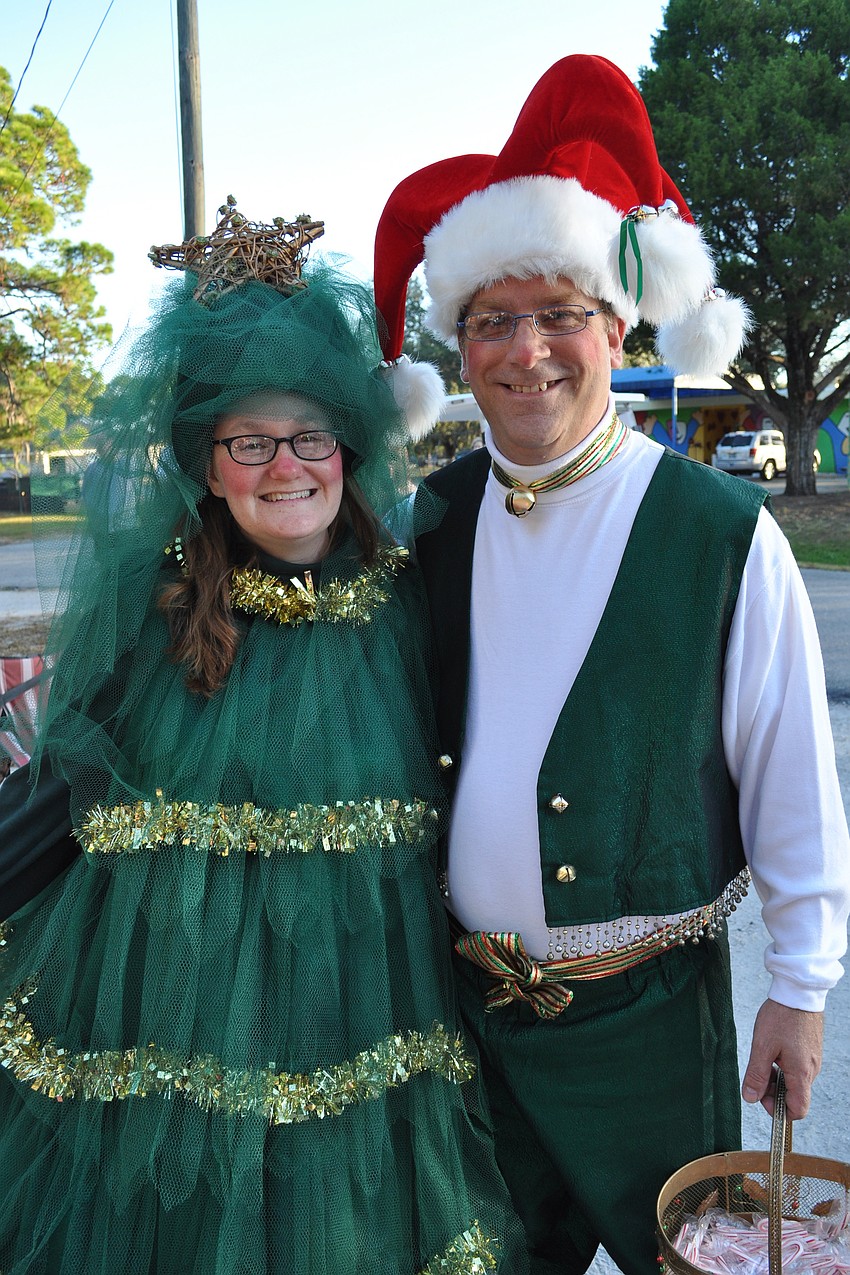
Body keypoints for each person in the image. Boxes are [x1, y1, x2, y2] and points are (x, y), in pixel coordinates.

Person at [372, 55, 850, 1274]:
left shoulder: (716, 531)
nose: (526, 351)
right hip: (461, 1025)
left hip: (646, 1028)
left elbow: (792, 772)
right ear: (458, 347)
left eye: (557, 314)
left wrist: (799, 989)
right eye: (491, 321)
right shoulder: (427, 523)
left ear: (617, 325)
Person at [0, 202, 528, 1274]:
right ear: (207, 463)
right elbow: (59, 796)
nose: (286, 466)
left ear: (346, 445)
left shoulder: (409, 594)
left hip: (364, 1007)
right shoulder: (152, 619)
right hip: (182, 1022)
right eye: (250, 441)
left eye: (310, 436)